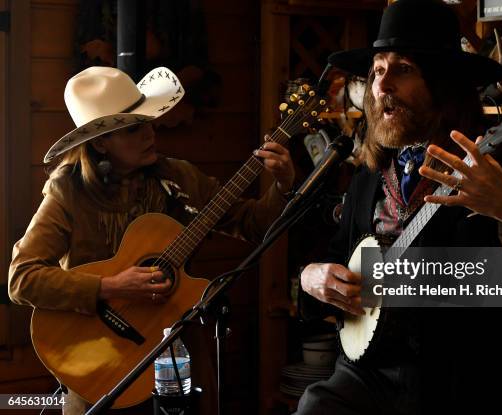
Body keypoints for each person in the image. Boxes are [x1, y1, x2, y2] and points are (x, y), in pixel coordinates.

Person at [296, 1, 502, 414]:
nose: (381, 87)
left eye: (402, 69)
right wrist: (311, 279)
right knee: (316, 405)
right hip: (367, 375)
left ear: (444, 83)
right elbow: (336, 263)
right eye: (377, 70)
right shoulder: (368, 175)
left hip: (464, 383)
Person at [7, 66, 294, 414]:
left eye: (147, 121)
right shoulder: (68, 192)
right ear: (100, 142)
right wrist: (110, 286)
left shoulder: (178, 176)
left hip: (175, 351)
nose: (150, 134)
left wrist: (282, 185)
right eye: (133, 129)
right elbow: (22, 279)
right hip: (94, 359)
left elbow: (252, 224)